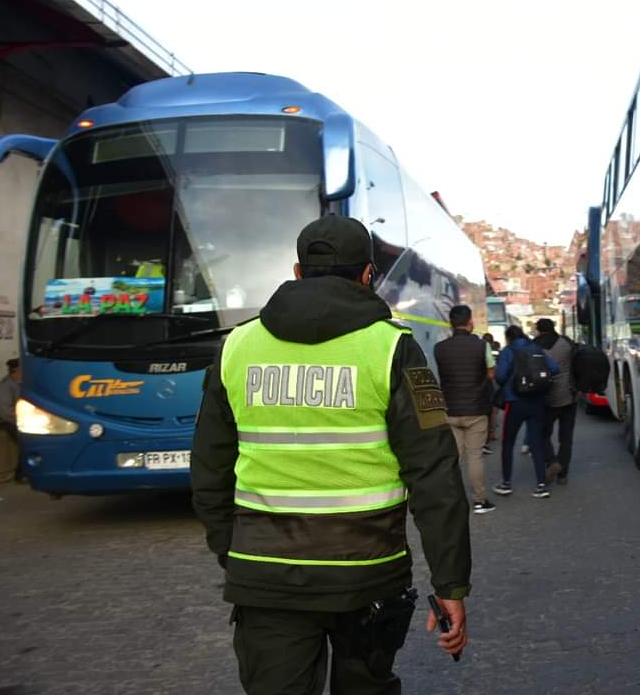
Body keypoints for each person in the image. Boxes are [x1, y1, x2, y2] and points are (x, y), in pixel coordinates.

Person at [191, 214, 471, 695]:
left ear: (297, 272)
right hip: (369, 576)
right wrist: (450, 584)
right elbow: (435, 475)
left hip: (265, 577)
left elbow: (209, 469)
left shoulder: (235, 347)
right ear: (367, 275)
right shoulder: (395, 348)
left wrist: (230, 551)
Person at [435, 305, 495, 514]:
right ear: (470, 322)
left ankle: (447, 500)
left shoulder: (439, 348)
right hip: (476, 409)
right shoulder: (481, 346)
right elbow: (490, 374)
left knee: (452, 457)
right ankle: (479, 501)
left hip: (450, 409)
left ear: (451, 323)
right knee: (475, 456)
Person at [493, 325, 558, 499]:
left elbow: (500, 376)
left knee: (508, 442)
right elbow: (554, 368)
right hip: (537, 401)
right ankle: (541, 485)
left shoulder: (508, 351)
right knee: (536, 442)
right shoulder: (537, 349)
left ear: (508, 338)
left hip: (515, 402)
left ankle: (506, 483)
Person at [533, 319, 578, 485]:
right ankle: (563, 474)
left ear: (538, 330)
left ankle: (552, 462)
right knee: (566, 438)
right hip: (569, 395)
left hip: (545, 397)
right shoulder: (566, 342)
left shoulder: (535, 345)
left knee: (542, 434)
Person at [0, 358, 21, 481]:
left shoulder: (19, 384)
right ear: (16, 371)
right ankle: (20, 474)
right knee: (25, 439)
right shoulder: (3, 387)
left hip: (18, 419)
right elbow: (5, 413)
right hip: (5, 422)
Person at [480, 333, 499, 444]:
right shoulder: (495, 349)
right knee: (493, 409)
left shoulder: (480, 349)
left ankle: (484, 432)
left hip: (483, 380)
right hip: (493, 380)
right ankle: (491, 433)